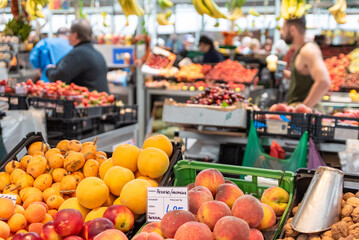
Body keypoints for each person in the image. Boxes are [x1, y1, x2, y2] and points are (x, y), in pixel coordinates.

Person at [46, 19, 109, 93]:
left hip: (87, 101)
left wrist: (49, 69)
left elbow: (58, 78)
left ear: (75, 35)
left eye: (69, 33)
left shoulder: (77, 54)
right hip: (101, 100)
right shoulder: (97, 54)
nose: (68, 36)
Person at [281, 17, 330, 108]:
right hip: (302, 116)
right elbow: (303, 78)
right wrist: (286, 74)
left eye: (283, 29)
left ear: (292, 30)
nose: (281, 32)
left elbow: (324, 82)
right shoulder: (300, 50)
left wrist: (303, 108)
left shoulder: (308, 50)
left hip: (308, 118)